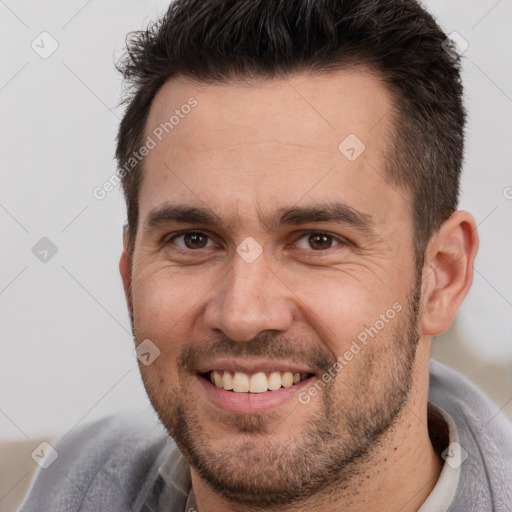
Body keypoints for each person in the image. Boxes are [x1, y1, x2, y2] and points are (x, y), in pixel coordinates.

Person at [18, 0, 512, 511]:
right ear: (129, 272)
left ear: (442, 277)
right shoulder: (72, 486)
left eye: (318, 240)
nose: (242, 315)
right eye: (193, 239)